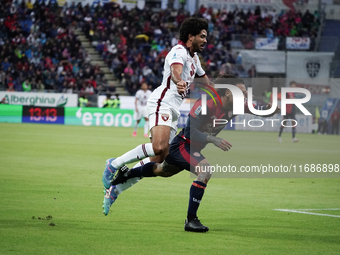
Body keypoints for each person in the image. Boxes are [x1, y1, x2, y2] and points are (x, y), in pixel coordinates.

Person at [103, 74, 280, 232]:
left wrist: (272, 110)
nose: (246, 96)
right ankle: (191, 220)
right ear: (228, 93)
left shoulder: (239, 105)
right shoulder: (206, 104)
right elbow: (191, 132)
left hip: (193, 148)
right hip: (183, 145)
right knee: (205, 171)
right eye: (242, 92)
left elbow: (260, 111)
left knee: (161, 170)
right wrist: (213, 139)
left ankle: (125, 174)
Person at [102, 17, 213, 200]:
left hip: (174, 111)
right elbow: (176, 71)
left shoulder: (194, 59)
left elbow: (207, 83)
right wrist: (179, 82)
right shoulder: (178, 51)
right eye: (202, 36)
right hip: (162, 102)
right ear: (190, 36)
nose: (205, 40)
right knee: (159, 147)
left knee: (159, 159)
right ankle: (114, 164)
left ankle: (117, 188)